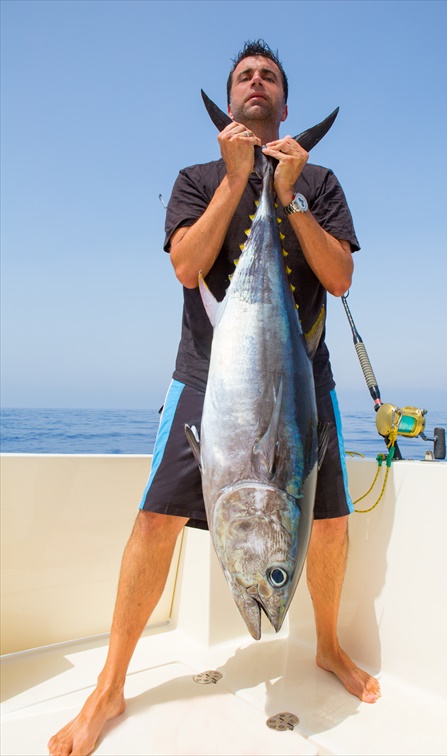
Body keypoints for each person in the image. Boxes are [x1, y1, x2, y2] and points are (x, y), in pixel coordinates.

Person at [48, 39, 380, 756]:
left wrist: (285, 196)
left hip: (302, 378)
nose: (255, 85)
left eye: (268, 79)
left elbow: (341, 278)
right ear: (230, 102)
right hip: (209, 377)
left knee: (326, 521)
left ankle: (325, 646)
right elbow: (188, 266)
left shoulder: (317, 180)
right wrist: (237, 181)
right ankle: (109, 685)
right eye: (244, 78)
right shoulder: (196, 177)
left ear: (284, 105)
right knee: (156, 520)